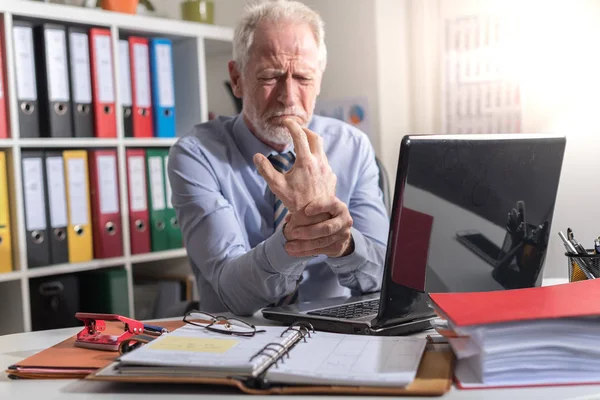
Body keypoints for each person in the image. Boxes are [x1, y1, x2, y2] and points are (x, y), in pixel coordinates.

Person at [167, 0, 389, 316]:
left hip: (337, 336)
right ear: (237, 78)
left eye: (303, 78)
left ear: (320, 78)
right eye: (270, 76)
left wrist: (343, 243)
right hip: (236, 339)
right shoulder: (196, 154)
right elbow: (233, 294)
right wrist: (299, 232)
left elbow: (385, 278)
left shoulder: (352, 147)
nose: (288, 96)